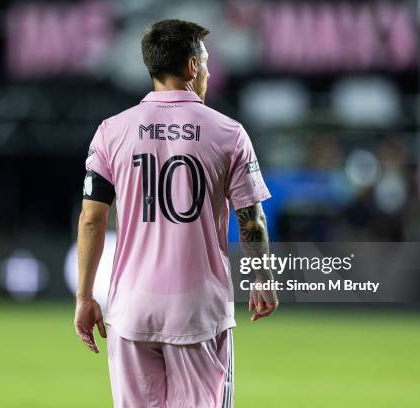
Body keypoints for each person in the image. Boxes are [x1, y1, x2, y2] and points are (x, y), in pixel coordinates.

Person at [74, 19, 278, 407]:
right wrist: (262, 278)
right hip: (197, 312)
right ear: (191, 68)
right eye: (207, 61)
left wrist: (85, 295)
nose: (209, 71)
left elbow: (91, 218)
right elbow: (251, 216)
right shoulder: (228, 132)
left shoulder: (112, 131)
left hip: (131, 310)